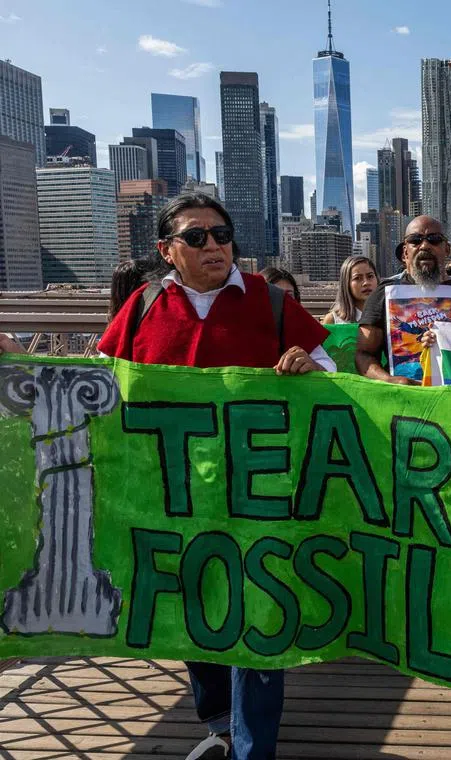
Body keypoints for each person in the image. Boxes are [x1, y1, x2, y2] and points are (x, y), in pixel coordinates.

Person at [98, 192, 334, 760]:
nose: (214, 245)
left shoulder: (270, 302)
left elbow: (330, 371)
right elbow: (102, 380)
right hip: (172, 495)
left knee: (257, 612)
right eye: (197, 236)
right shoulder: (144, 306)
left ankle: (255, 749)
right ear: (167, 250)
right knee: (192, 606)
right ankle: (219, 721)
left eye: (222, 234)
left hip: (257, 495)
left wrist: (306, 366)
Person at [355, 216, 451, 384]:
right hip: (404, 400)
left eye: (434, 240)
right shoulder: (383, 294)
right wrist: (391, 380)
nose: (425, 245)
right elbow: (363, 354)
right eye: (415, 240)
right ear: (405, 252)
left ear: (447, 249)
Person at [323, 255, 378, 324]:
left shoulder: (389, 316)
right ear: (346, 284)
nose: (366, 283)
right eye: (357, 278)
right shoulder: (333, 320)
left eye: (370, 276)